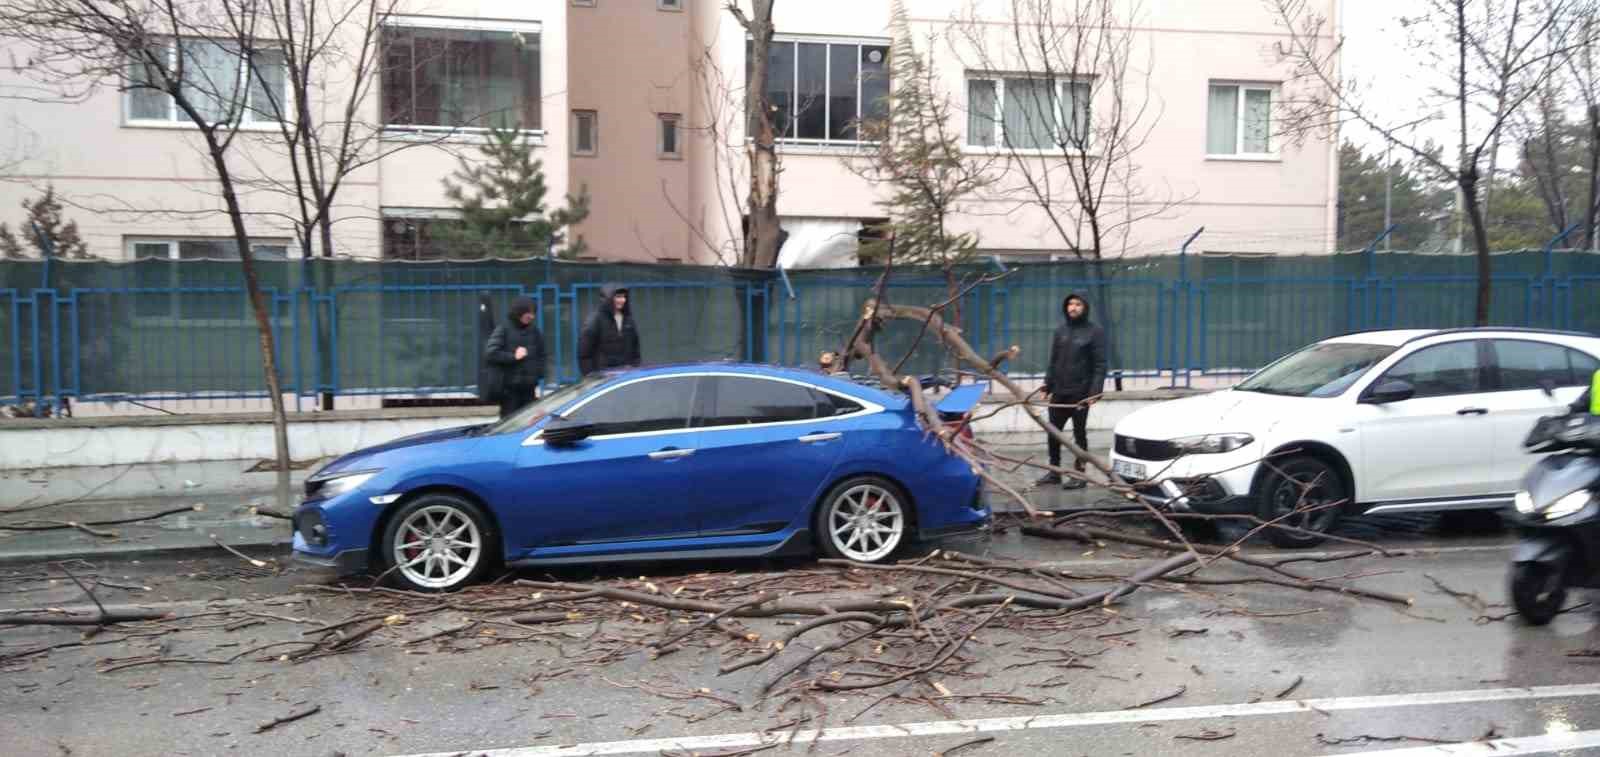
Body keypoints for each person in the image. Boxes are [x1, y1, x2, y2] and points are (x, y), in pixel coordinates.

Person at [1037, 293, 1108, 489]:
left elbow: (1100, 365)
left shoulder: (1095, 332)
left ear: (1085, 307)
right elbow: (1053, 361)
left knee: (1079, 435)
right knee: (1053, 432)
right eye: (1070, 304)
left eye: (1078, 304)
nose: (1073, 307)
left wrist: (1095, 391)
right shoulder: (1060, 331)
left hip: (1080, 393)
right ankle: (1054, 472)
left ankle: (1080, 475)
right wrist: (1047, 385)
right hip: (1059, 392)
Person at [484, 297, 547, 418]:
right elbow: (491, 353)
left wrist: (539, 374)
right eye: (528, 313)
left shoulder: (534, 331)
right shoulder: (504, 329)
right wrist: (513, 356)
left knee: (529, 421)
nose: (532, 316)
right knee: (510, 421)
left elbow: (542, 355)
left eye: (533, 313)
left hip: (529, 389)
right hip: (509, 390)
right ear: (519, 312)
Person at [578, 283, 641, 375]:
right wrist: (591, 377)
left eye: (624, 297)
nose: (623, 300)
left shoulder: (628, 319)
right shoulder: (595, 320)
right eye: (618, 297)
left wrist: (635, 369)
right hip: (604, 378)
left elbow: (635, 350)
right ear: (608, 298)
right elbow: (584, 353)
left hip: (626, 376)